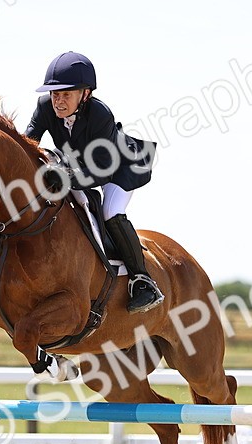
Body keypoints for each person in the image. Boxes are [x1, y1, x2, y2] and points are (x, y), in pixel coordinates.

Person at [25, 51, 164, 314]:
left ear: (85, 94)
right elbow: (28, 144)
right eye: (55, 94)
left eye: (66, 94)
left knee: (111, 212)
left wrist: (65, 176)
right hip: (78, 166)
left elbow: (102, 172)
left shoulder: (100, 115)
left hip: (119, 166)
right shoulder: (45, 107)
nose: (59, 101)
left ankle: (142, 280)